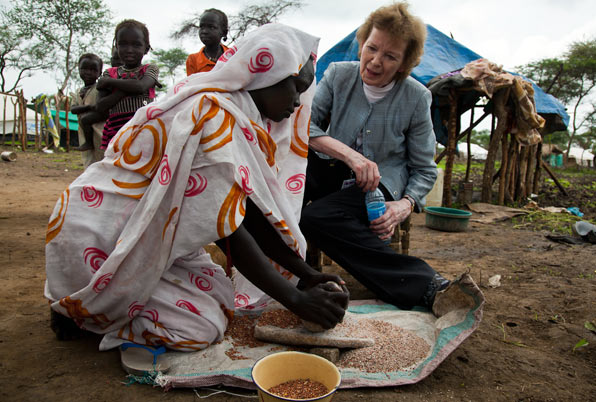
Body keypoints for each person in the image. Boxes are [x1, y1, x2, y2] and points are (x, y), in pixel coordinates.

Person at [45, 24, 348, 361]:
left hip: (137, 230)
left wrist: (308, 276)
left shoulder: (234, 112)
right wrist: (295, 300)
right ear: (267, 73)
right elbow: (228, 232)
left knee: (218, 294)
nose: (296, 102)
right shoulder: (214, 116)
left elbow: (242, 211)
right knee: (202, 325)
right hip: (99, 234)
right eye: (294, 88)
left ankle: (88, 303)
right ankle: (85, 309)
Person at [300, 2, 449, 310]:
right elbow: (306, 127)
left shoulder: (416, 96)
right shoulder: (339, 75)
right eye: (372, 48)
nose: (375, 61)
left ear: (404, 63)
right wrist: (350, 156)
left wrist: (403, 206)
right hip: (333, 167)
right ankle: (288, 274)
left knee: (317, 217)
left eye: (390, 56)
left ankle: (423, 283)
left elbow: (424, 169)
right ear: (362, 42)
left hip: (376, 185)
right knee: (288, 184)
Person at [97, 19, 159, 150]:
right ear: (117, 47)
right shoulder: (109, 73)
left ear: (146, 48)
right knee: (116, 169)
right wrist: (126, 89)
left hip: (145, 132)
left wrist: (111, 83)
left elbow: (141, 87)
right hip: (116, 133)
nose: (129, 50)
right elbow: (101, 106)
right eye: (123, 44)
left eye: (136, 45)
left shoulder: (150, 69)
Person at [70, 54, 106, 163]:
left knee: (102, 159)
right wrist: (89, 107)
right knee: (88, 160)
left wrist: (83, 109)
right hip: (84, 133)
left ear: (99, 73)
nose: (88, 73)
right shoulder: (77, 92)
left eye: (93, 70)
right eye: (84, 69)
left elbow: (102, 108)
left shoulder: (100, 89)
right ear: (79, 69)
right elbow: (73, 109)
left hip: (100, 131)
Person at [186, 8, 229, 75]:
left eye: (211, 27)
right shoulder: (193, 60)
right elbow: (192, 84)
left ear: (224, 32)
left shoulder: (233, 56)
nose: (204, 31)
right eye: (202, 27)